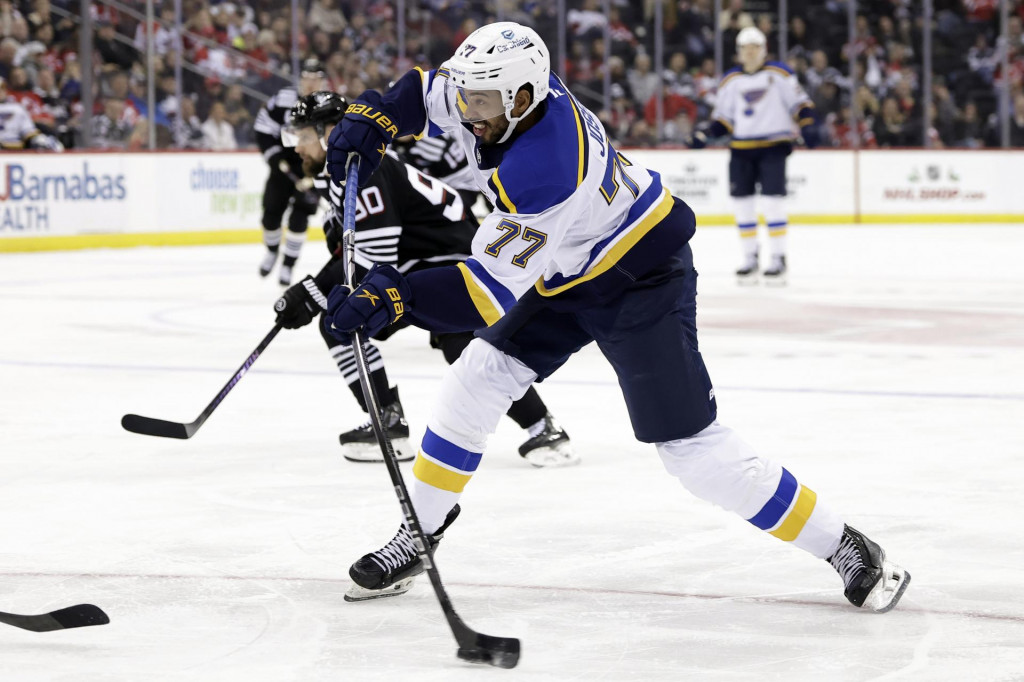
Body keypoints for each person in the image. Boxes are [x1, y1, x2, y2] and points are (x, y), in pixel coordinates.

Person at [320, 22, 911, 610]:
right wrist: (376, 115)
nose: (466, 111)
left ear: (522, 98)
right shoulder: (499, 93)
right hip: (568, 268)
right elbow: (428, 92)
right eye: (468, 96)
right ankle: (419, 532)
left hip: (641, 276)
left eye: (480, 102)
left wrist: (397, 297)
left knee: (693, 453)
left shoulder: (546, 165)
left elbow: (486, 291)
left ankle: (843, 543)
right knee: (476, 376)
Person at [272, 91, 576, 468]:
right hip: (417, 262)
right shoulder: (338, 173)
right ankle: (389, 422)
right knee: (340, 323)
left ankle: (543, 427)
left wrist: (310, 292)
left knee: (458, 342)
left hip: (454, 259)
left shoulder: (365, 169)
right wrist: (313, 292)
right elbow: (349, 251)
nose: (296, 147)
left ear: (329, 132)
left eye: (302, 137)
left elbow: (375, 256)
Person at [689, 26, 817, 285]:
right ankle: (750, 257)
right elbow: (723, 120)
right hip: (741, 149)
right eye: (745, 49)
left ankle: (778, 257)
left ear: (763, 50)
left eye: (754, 48)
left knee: (773, 202)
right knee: (742, 204)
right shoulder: (730, 80)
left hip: (773, 146)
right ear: (738, 52)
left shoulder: (779, 74)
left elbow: (801, 104)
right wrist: (705, 136)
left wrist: (808, 126)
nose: (750, 53)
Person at [253, 58, 327, 286]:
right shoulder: (284, 99)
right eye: (307, 77)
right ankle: (272, 251)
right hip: (283, 166)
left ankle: (287, 265)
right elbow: (263, 127)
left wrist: (316, 171)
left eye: (316, 78)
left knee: (299, 219)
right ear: (301, 79)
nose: (311, 82)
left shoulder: (328, 105)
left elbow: (333, 140)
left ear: (322, 80)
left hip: (311, 168)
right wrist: (275, 158)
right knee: (270, 214)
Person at [0, 74, 62, 150]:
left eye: (2, 89)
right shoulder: (17, 108)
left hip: (14, 147)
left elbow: (28, 132)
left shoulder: (17, 108)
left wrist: (36, 140)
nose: (0, 92)